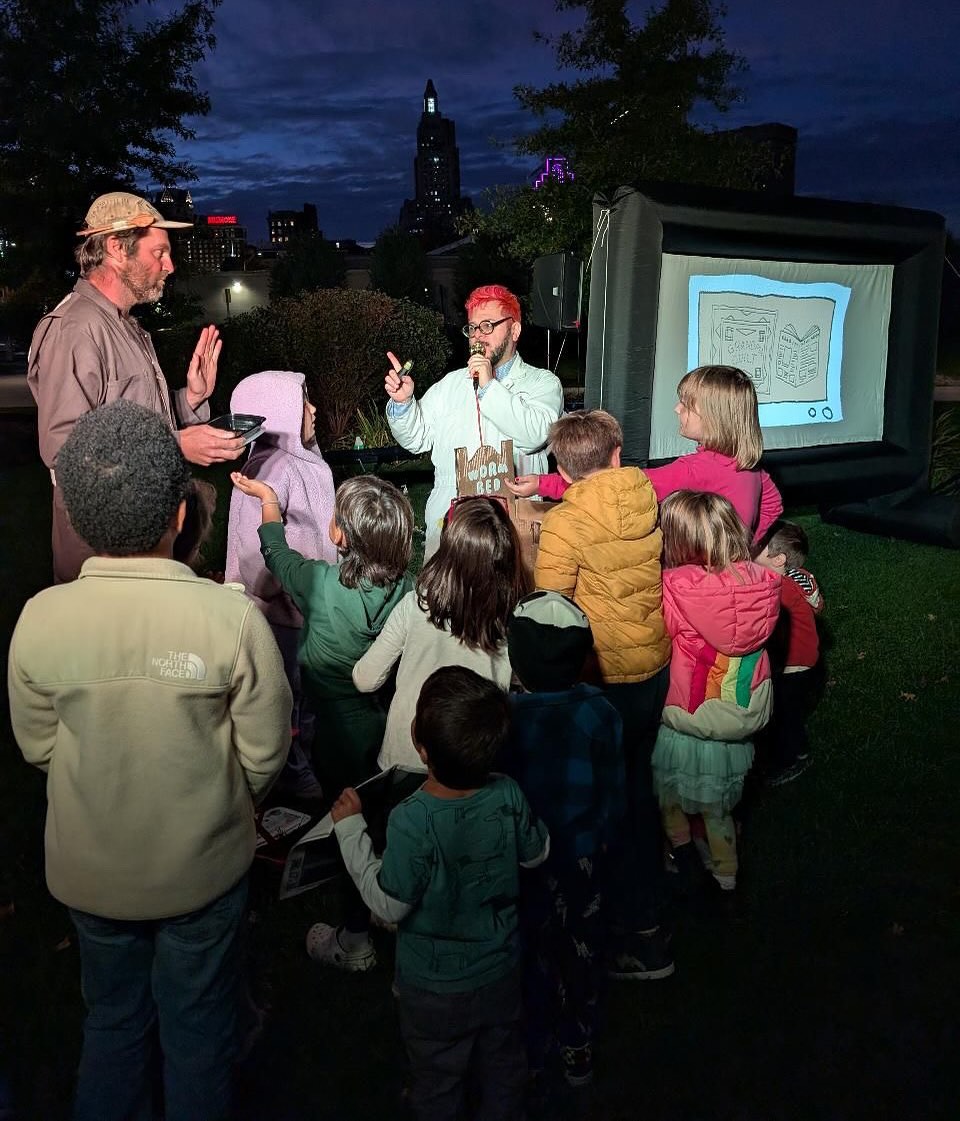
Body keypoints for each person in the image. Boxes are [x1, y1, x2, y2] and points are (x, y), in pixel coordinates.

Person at [7, 401, 292, 1121]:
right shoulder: (230, 619)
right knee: (199, 1033)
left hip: (91, 875)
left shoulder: (40, 620)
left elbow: (39, 743)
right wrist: (229, 799)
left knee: (111, 1022)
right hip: (202, 873)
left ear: (75, 513)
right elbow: (263, 750)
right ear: (179, 513)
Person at [330, 666, 550, 1121]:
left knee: (436, 1080)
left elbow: (388, 902)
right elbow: (537, 853)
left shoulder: (411, 818)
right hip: (501, 971)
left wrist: (349, 829)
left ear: (420, 747)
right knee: (504, 1065)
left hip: (432, 989)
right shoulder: (507, 792)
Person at [231, 469, 414, 974]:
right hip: (391, 726)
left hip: (336, 734)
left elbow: (277, 553)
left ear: (339, 535)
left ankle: (355, 935)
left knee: (347, 823)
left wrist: (269, 501)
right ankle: (393, 904)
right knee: (383, 817)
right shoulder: (410, 588)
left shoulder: (320, 583)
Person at [27, 191, 246, 583]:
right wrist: (175, 443)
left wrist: (190, 397)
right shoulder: (75, 329)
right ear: (116, 248)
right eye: (158, 253)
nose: (170, 265)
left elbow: (136, 416)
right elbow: (64, 446)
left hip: (151, 539)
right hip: (106, 554)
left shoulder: (124, 325)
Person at [532, 409, 673, 980]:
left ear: (562, 471)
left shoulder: (567, 521)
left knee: (608, 806)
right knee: (640, 787)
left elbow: (551, 608)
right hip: (653, 667)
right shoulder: (642, 492)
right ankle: (650, 896)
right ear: (616, 455)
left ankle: (635, 929)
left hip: (606, 679)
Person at [503, 591, 626, 1089]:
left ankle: (533, 1049)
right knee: (579, 948)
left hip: (525, 861)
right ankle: (577, 1042)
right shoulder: (601, 712)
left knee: (528, 950)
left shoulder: (505, 717)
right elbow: (613, 792)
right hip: (583, 857)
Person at [652, 491, 780, 899]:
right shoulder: (763, 582)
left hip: (687, 718)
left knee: (669, 797)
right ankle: (727, 879)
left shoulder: (671, 588)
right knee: (718, 810)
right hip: (741, 714)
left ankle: (683, 855)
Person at [508, 364, 783, 543]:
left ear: (713, 416)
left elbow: (613, 487)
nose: (677, 409)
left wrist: (545, 483)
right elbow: (773, 505)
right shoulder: (750, 466)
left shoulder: (696, 470)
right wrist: (744, 549)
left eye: (687, 405)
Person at [384, 284, 564, 557]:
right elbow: (416, 438)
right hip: (453, 528)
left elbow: (533, 435)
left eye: (488, 325)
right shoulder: (450, 385)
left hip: (515, 525)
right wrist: (403, 404)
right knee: (449, 599)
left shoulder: (543, 383)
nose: (478, 335)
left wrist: (489, 386)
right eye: (473, 327)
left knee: (514, 597)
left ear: (514, 330)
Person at [352, 495, 528, 773]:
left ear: (447, 549)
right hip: (473, 766)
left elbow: (365, 679)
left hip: (405, 759)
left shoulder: (414, 606)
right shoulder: (512, 623)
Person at [226, 370, 338, 801]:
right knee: (283, 699)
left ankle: (305, 762)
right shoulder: (270, 470)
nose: (313, 409)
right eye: (303, 402)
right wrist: (279, 588)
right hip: (282, 614)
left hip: (307, 607)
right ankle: (290, 776)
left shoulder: (305, 460)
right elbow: (252, 551)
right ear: (277, 413)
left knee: (306, 694)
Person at [754, 520, 825, 786]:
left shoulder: (778, 587)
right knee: (788, 710)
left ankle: (793, 759)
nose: (752, 549)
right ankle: (793, 748)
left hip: (793, 663)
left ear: (778, 559)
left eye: (759, 547)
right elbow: (817, 604)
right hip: (804, 659)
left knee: (785, 713)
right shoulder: (800, 576)